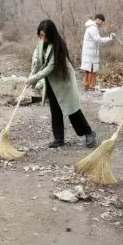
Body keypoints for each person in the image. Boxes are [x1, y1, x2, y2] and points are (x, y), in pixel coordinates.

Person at [27, 19, 97, 148]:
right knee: (55, 110)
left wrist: (34, 78)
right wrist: (33, 69)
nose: (42, 38)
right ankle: (58, 139)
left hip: (63, 82)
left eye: (45, 35)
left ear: (51, 34)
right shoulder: (41, 42)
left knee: (72, 110)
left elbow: (50, 67)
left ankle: (89, 133)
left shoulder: (58, 46)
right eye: (40, 35)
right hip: (51, 83)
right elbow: (37, 57)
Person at [81, 14, 116, 91]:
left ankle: (87, 87)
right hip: (90, 54)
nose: (101, 23)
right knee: (91, 70)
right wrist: (110, 38)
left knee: (88, 70)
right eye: (102, 21)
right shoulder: (92, 28)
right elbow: (98, 40)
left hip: (89, 53)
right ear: (98, 19)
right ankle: (91, 87)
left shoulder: (91, 27)